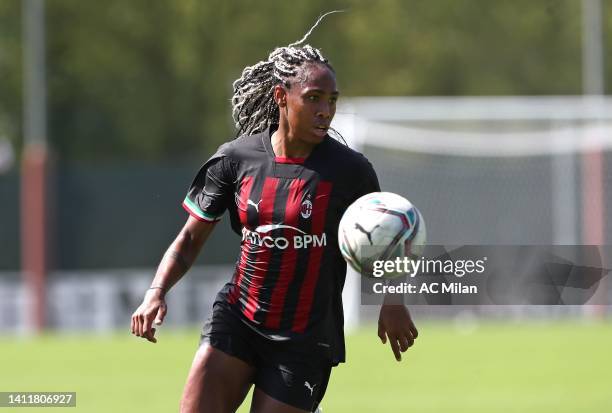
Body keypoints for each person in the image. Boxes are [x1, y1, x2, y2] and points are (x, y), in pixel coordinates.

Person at [131, 14, 418, 413]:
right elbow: (189, 239)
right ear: (281, 97)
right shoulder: (236, 159)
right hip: (238, 320)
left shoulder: (350, 171)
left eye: (331, 100)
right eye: (313, 98)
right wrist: (156, 293)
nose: (325, 111)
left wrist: (393, 300)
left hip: (304, 340)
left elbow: (390, 239)